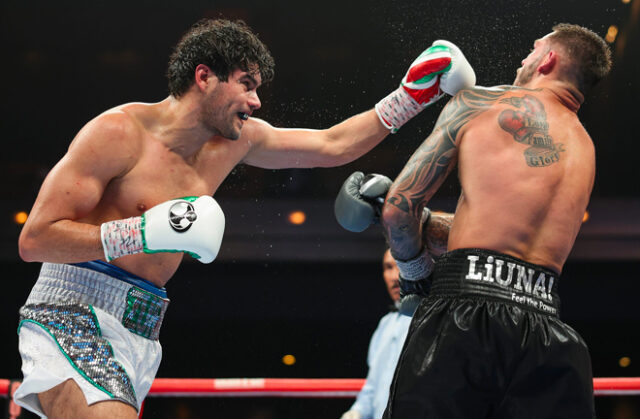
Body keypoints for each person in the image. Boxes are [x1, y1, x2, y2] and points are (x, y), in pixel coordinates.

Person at [14, 19, 475, 419]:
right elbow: (35, 239)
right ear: (204, 77)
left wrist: (412, 95)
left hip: (141, 325)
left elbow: (333, 145)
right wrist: (139, 233)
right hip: (73, 311)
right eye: (246, 84)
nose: (256, 101)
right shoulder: (118, 133)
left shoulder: (234, 142)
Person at [336, 23, 612, 417]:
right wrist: (428, 222)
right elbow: (501, 253)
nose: (524, 57)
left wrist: (415, 274)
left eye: (533, 49)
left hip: (463, 322)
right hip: (550, 336)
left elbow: (400, 206)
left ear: (548, 58)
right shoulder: (585, 149)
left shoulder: (482, 102)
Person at [340, 250, 412, 419]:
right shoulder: (385, 325)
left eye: (400, 266)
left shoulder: (431, 320)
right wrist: (357, 412)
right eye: (388, 267)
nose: (395, 277)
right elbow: (372, 388)